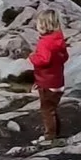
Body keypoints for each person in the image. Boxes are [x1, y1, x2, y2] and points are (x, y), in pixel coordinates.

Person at [29, 8, 68, 143]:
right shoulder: (59, 39)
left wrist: (33, 57)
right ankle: (56, 132)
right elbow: (65, 57)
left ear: (44, 26)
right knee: (52, 109)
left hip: (47, 82)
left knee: (46, 111)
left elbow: (44, 60)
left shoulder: (45, 42)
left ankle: (49, 136)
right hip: (58, 81)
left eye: (39, 25)